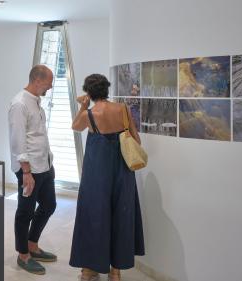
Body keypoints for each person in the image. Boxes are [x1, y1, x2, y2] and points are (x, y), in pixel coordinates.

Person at [69, 74, 145, 281]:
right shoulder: (122, 109)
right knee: (121, 215)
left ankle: (88, 270)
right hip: (122, 170)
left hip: (97, 172)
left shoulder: (89, 114)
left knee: (93, 215)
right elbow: (136, 139)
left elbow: (75, 126)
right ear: (107, 89)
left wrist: (83, 106)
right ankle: (116, 272)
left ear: (89, 93)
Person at [8, 65, 57, 275]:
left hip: (44, 165)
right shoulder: (19, 104)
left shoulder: (36, 102)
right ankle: (23, 254)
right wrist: (26, 172)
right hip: (29, 170)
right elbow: (17, 140)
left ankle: (32, 244)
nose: (51, 86)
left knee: (49, 205)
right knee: (25, 212)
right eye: (49, 83)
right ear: (37, 80)